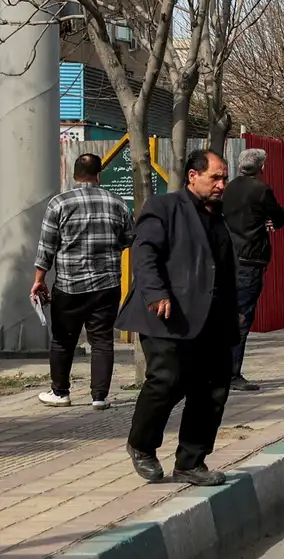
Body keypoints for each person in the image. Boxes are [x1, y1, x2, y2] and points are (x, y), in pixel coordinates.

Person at [118, 150, 239, 487]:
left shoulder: (220, 216)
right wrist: (156, 292)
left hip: (213, 320)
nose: (221, 184)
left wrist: (235, 309)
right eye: (215, 177)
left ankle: (191, 461)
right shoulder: (164, 208)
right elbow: (144, 253)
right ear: (192, 176)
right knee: (167, 380)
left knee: (212, 390)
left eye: (224, 178)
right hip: (167, 315)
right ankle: (141, 444)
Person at [32, 153, 134, 410]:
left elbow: (47, 247)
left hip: (69, 284)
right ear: (99, 174)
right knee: (101, 340)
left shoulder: (59, 204)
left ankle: (61, 392)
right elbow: (128, 238)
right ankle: (99, 397)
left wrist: (39, 280)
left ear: (73, 173)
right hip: (107, 285)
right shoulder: (118, 203)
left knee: (63, 339)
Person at [222, 148, 284, 392]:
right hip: (250, 260)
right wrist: (271, 222)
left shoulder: (227, 189)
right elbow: (278, 216)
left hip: (227, 258)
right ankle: (232, 374)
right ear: (261, 167)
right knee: (241, 317)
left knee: (225, 314)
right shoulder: (261, 190)